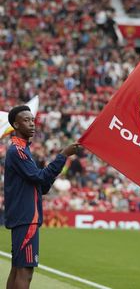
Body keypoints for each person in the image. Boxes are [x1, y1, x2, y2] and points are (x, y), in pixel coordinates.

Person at [4, 105, 79, 289]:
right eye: (26, 120)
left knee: (17, 269)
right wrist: (63, 156)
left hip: (24, 216)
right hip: (26, 217)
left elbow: (40, 185)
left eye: (32, 120)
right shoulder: (18, 151)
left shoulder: (23, 150)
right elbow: (38, 177)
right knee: (25, 272)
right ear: (16, 124)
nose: (32, 123)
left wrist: (50, 174)